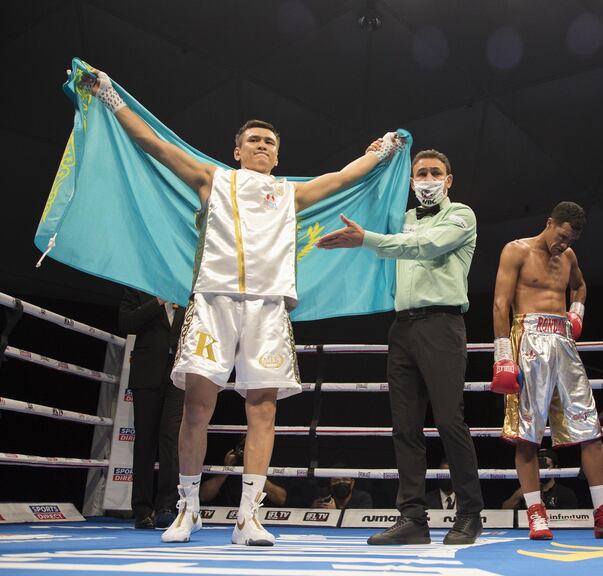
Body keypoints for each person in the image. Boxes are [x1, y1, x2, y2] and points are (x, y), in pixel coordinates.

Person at [80, 68, 401, 546]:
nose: (263, 146)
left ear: (278, 153)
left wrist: (383, 150)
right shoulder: (213, 178)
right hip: (214, 303)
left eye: (270, 142)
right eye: (254, 140)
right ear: (237, 149)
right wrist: (108, 93)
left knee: (264, 412)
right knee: (195, 411)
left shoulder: (291, 192)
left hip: (268, 311)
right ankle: (187, 509)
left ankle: (248, 516)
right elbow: (154, 144)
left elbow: (342, 177)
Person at [316, 149, 483, 545]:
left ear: (448, 179)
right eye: (420, 172)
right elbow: (368, 212)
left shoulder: (462, 215)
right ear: (410, 181)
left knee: (448, 421)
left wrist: (369, 239)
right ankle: (413, 519)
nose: (427, 178)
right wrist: (377, 155)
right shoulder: (401, 220)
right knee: (405, 427)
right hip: (402, 328)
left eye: (434, 172)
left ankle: (470, 514)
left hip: (442, 325)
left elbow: (425, 246)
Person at [491, 201, 603, 540]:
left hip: (563, 342)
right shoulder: (516, 251)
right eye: (561, 237)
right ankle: (535, 515)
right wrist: (502, 355)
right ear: (550, 223)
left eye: (570, 241)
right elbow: (500, 303)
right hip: (527, 338)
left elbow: (581, 286)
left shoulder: (568, 257)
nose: (563, 246)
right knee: (528, 434)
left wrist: (577, 312)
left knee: (590, 428)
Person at [119, 288, 186, 529]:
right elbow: (126, 322)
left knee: (171, 437)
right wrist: (158, 301)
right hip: (147, 371)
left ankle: (167, 505)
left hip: (178, 373)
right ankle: (142, 509)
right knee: (145, 440)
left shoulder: (186, 288)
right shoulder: (138, 284)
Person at [199, 436, 287, 507]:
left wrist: (256, 473)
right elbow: (203, 496)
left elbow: (281, 499)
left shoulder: (265, 465)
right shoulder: (228, 462)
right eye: (243, 447)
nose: (246, 451)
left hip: (257, 514)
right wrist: (226, 470)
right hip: (226, 513)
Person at [501, 448, 578, 510]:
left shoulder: (566, 493)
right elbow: (504, 511)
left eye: (545, 466)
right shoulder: (526, 490)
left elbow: (571, 521)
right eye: (539, 466)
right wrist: (517, 495)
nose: (541, 470)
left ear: (555, 468)